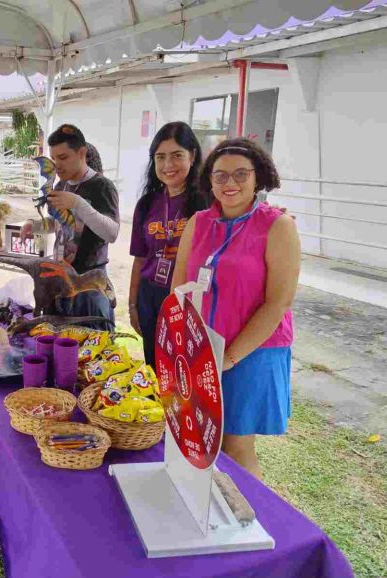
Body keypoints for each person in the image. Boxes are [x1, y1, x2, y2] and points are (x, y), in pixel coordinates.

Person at [171, 137, 301, 479]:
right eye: (220, 176)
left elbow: (278, 303)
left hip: (251, 352)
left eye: (241, 174)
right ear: (209, 180)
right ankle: (212, 517)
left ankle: (248, 521)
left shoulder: (277, 226)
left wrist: (227, 358)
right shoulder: (198, 223)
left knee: (235, 446)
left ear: (259, 177)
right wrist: (186, 347)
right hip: (201, 350)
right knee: (199, 439)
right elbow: (179, 287)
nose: (230, 183)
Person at [128, 122, 210, 365]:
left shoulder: (208, 202)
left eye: (177, 156)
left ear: (192, 156)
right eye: (160, 157)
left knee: (185, 368)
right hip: (151, 294)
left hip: (189, 296)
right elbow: (140, 259)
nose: (168, 165)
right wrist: (133, 305)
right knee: (154, 366)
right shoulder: (146, 204)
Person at [22, 124, 120, 324]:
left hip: (90, 283)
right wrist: (36, 225)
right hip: (60, 278)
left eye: (63, 157)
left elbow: (112, 232)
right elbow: (58, 222)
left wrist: (78, 204)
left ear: (82, 153)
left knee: (92, 347)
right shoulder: (61, 185)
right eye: (54, 158)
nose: (57, 164)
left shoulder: (102, 186)